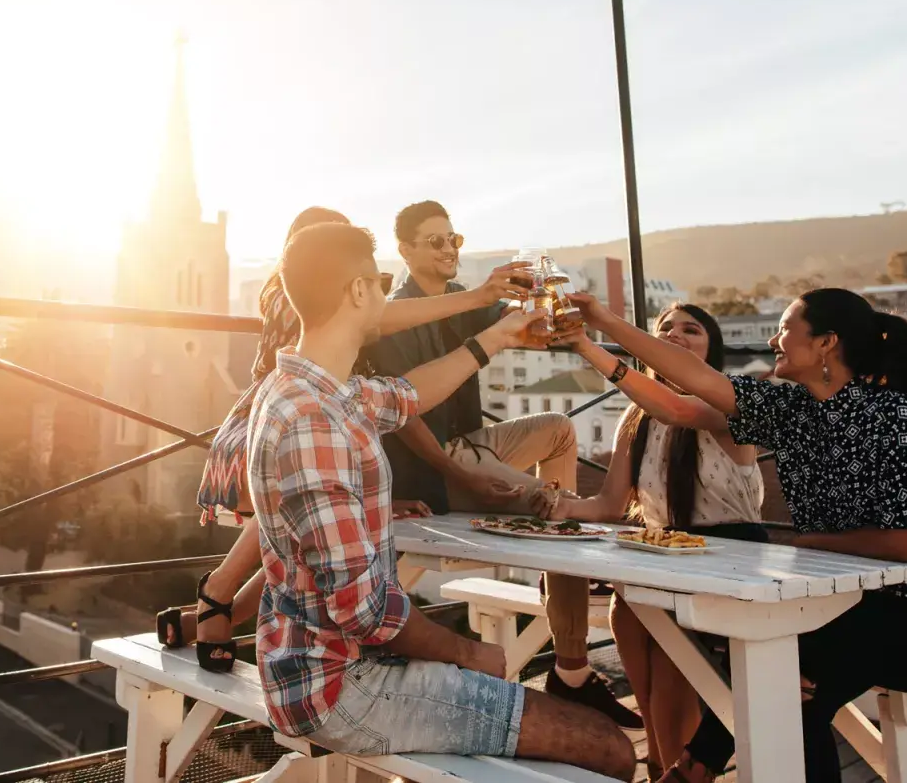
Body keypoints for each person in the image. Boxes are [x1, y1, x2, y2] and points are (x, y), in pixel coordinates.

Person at [247, 221, 635, 778]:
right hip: (344, 687)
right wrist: (468, 653)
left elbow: (406, 395)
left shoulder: (309, 391)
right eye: (379, 281)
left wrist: (498, 337)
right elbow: (362, 610)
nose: (386, 292)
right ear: (359, 292)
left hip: (310, 664)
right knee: (610, 749)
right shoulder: (314, 421)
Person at [569, 288, 907, 783]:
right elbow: (690, 384)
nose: (773, 338)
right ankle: (691, 770)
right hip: (844, 615)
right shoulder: (791, 409)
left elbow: (906, 544)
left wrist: (810, 544)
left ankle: (689, 770)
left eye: (786, 328)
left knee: (786, 682)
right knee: (783, 680)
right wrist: (601, 324)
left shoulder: (893, 416)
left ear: (826, 344)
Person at [159, 206, 534, 671]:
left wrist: (484, 318)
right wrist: (478, 299)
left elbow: (400, 386)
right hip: (278, 418)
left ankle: (219, 610)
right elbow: (389, 320)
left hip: (308, 410)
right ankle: (218, 594)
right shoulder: (293, 300)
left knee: (300, 533)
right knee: (297, 499)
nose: (374, 288)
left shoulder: (328, 337)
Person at [366, 200, 641, 728]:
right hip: (435, 463)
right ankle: (573, 662)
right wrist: (462, 476)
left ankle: (557, 541)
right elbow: (404, 416)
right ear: (404, 250)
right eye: (435, 241)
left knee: (559, 428)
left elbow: (523, 329)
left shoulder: (457, 299)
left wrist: (557, 315)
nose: (449, 250)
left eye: (454, 239)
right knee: (567, 518)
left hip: (472, 442)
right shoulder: (400, 313)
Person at [551, 304, 764, 778]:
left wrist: (588, 344)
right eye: (665, 328)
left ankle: (674, 766)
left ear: (712, 351)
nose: (675, 335)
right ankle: (659, 758)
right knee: (626, 611)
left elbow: (678, 407)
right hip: (662, 555)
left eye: (691, 330)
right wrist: (559, 505)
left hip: (730, 558)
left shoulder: (729, 405)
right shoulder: (636, 415)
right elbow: (608, 506)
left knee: (670, 645)